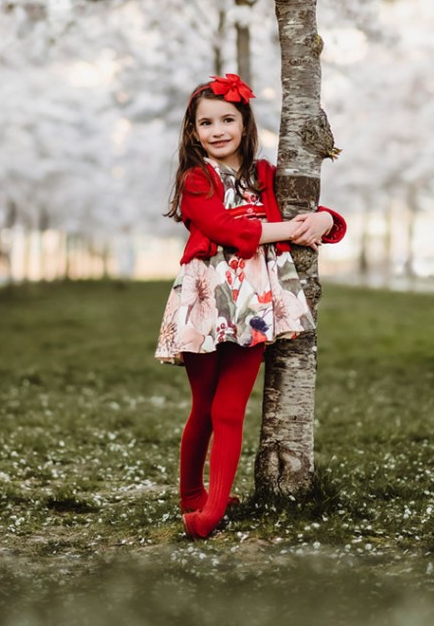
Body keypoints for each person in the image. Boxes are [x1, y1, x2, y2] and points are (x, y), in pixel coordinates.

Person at [155, 73, 346, 540]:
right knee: (202, 404)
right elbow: (230, 232)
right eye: (206, 123)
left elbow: (317, 220)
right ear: (193, 131)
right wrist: (284, 228)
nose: (217, 130)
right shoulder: (195, 180)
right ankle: (190, 496)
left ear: (244, 124)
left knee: (231, 406)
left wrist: (322, 218)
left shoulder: (264, 177)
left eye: (227, 119)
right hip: (205, 298)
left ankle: (213, 508)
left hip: (257, 301)